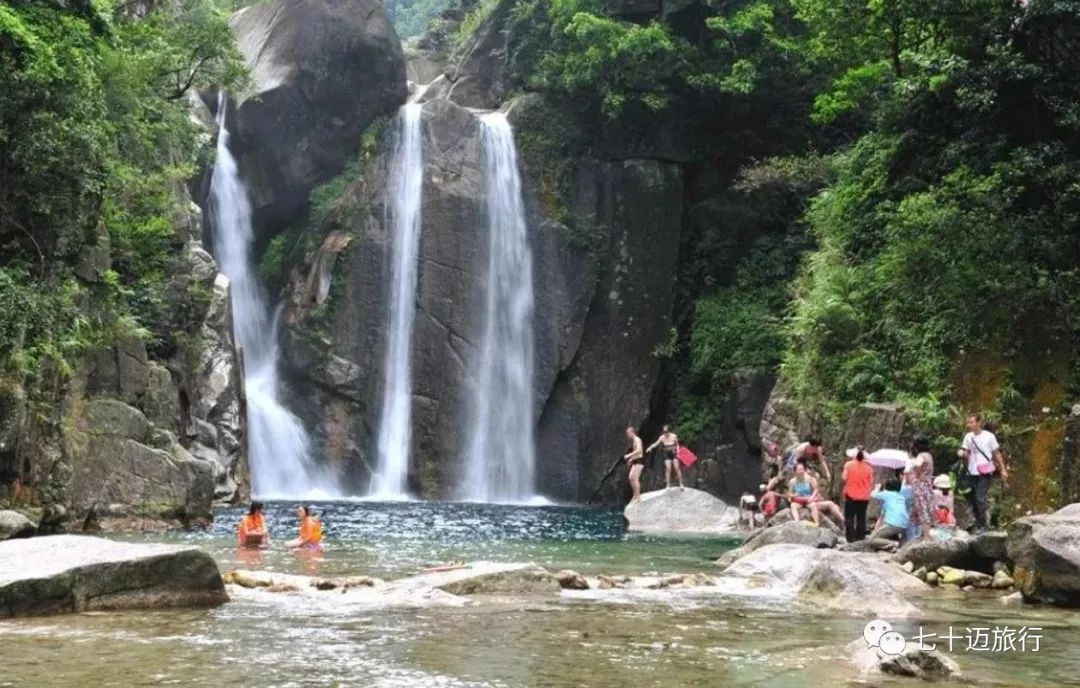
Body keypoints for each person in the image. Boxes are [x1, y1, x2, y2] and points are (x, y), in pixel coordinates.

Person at [958, 412, 1008, 533]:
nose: (969, 425)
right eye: (968, 422)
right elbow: (964, 450)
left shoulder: (989, 436)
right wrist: (961, 453)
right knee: (973, 498)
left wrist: (1003, 469)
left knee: (980, 498)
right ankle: (979, 521)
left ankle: (984, 525)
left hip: (985, 471)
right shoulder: (968, 437)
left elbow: (996, 453)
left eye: (972, 422)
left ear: (979, 422)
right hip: (971, 471)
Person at [787, 463, 843, 527]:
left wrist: (812, 497)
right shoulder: (792, 481)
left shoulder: (809, 479)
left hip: (809, 499)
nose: (801, 471)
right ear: (795, 471)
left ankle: (816, 523)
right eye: (799, 469)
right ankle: (797, 521)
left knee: (814, 505)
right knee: (793, 505)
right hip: (799, 501)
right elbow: (789, 494)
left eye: (802, 469)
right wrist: (793, 495)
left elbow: (816, 489)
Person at [868, 479, 911, 551]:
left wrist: (877, 488)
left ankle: (895, 544)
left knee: (871, 540)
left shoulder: (887, 494)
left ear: (886, 488)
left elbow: (873, 494)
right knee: (883, 535)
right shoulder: (900, 497)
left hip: (892, 524)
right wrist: (876, 530)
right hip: (904, 525)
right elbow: (881, 517)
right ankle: (892, 546)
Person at [842, 446, 873, 542]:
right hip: (864, 497)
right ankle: (860, 537)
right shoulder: (869, 468)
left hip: (850, 494)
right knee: (861, 517)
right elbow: (871, 482)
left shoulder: (848, 465)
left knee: (849, 517)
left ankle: (850, 538)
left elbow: (844, 477)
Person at [907, 435, 935, 540]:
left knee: (922, 511)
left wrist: (911, 464)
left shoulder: (921, 456)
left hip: (920, 486)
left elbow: (918, 468)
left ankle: (926, 537)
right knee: (923, 509)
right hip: (927, 485)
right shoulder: (928, 455)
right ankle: (923, 535)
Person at [646, 425, 684, 491]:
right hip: (666, 453)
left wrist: (678, 450)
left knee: (676, 467)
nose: (665, 433)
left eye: (666, 431)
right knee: (668, 468)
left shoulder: (674, 436)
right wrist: (650, 448)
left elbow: (677, 445)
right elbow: (656, 444)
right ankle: (668, 485)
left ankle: (681, 483)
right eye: (664, 432)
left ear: (669, 431)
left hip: (674, 453)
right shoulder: (662, 437)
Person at [624, 426, 645, 503]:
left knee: (635, 478)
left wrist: (629, 455)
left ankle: (638, 497)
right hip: (636, 460)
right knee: (630, 477)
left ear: (632, 432)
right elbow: (636, 452)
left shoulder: (637, 439)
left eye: (628, 433)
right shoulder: (634, 441)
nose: (627, 435)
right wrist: (631, 459)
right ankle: (635, 495)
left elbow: (639, 450)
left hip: (640, 461)